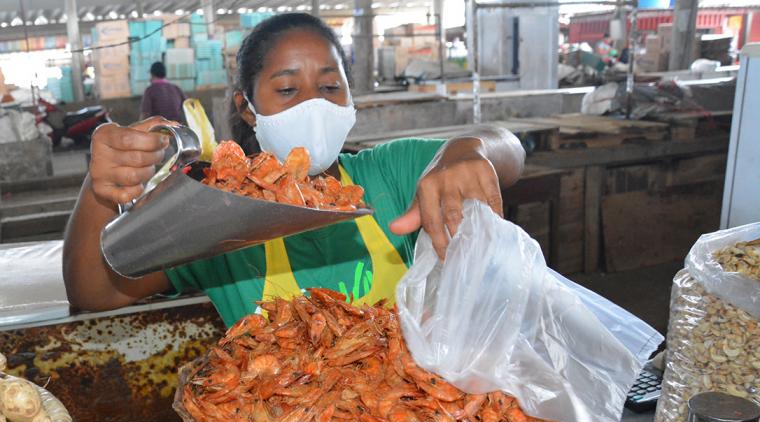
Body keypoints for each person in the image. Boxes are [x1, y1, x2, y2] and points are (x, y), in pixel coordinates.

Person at [64, 13, 524, 327]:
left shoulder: (390, 174)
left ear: (350, 99)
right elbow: (93, 292)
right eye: (287, 90)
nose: (313, 104)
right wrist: (100, 190)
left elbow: (509, 149)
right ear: (248, 109)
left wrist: (466, 151)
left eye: (329, 86)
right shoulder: (215, 214)